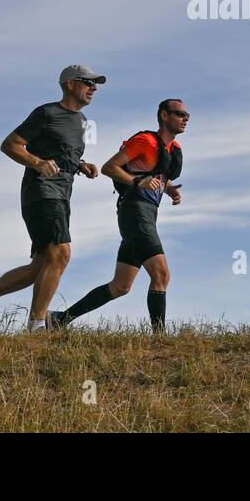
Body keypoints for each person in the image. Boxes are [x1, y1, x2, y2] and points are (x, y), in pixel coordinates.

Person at [0, 65, 103, 332]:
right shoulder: (47, 113)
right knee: (61, 253)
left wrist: (81, 165)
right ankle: (37, 327)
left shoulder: (81, 121)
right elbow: (10, 144)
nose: (93, 87)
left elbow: (60, 152)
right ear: (69, 83)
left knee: (41, 266)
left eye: (96, 84)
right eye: (88, 82)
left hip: (62, 194)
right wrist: (37, 162)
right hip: (41, 191)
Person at [53, 99, 187, 332]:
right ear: (164, 116)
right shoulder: (145, 141)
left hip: (147, 214)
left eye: (187, 115)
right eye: (180, 114)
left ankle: (59, 319)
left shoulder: (173, 150)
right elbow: (109, 167)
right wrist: (137, 182)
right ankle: (160, 338)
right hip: (134, 212)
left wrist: (168, 189)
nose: (185, 118)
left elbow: (152, 175)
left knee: (121, 286)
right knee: (161, 274)